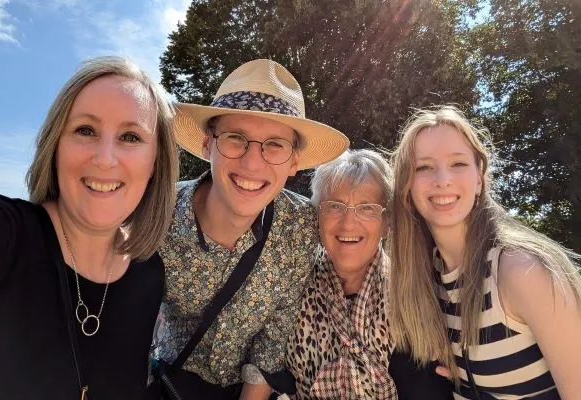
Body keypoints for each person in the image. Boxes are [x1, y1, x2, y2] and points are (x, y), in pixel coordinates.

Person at [149, 58, 349, 399]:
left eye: (274, 144)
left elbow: (273, 340)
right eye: (235, 138)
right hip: (168, 384)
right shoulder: (156, 215)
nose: (252, 163)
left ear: (293, 162)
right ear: (207, 144)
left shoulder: (300, 229)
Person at [0, 56, 179, 399]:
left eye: (130, 137)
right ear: (55, 145)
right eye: (85, 130)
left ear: (155, 164)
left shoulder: (149, 273)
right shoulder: (5, 236)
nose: (105, 159)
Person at [389, 105, 581, 399]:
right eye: (424, 167)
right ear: (407, 186)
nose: (443, 180)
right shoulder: (428, 280)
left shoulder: (521, 271)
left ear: (479, 178)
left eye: (458, 164)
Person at [285, 149, 453, 399]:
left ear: (386, 223)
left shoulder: (420, 298)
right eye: (335, 206)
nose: (348, 223)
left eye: (366, 208)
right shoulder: (289, 288)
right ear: (317, 215)